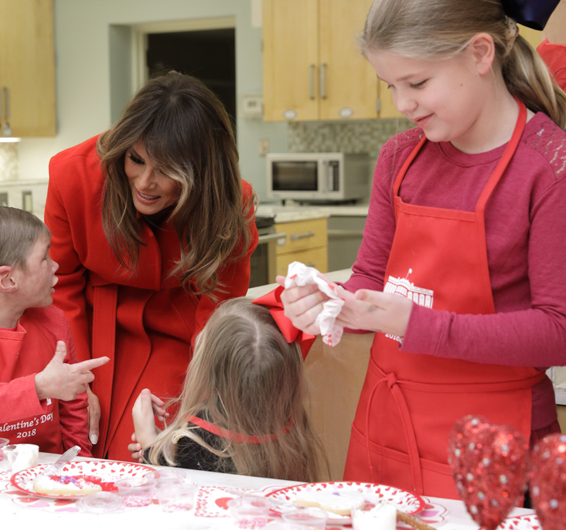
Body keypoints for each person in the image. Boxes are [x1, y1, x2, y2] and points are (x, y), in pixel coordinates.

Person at [280, 0, 566, 499]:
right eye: (390, 86)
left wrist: (416, 325)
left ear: (480, 54)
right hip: (386, 429)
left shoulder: (548, 166)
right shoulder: (400, 157)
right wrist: (329, 303)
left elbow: (558, 330)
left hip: (498, 446)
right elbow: (371, 275)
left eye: (416, 83)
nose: (402, 104)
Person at [45, 72, 259, 460]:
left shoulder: (231, 203)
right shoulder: (71, 175)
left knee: (168, 449)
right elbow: (62, 289)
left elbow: (217, 312)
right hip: (92, 332)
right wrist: (77, 382)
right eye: (136, 160)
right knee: (84, 444)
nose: (144, 182)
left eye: (165, 170)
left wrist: (201, 399)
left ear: (200, 172)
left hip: (184, 334)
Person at [0, 206, 109, 454]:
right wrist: (39, 387)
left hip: (44, 467)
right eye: (44, 258)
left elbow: (73, 405)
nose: (55, 265)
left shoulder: (54, 320)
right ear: (8, 280)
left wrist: (78, 460)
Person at [127, 298, 327, 481]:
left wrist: (150, 445)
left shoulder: (190, 444)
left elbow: (167, 501)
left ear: (207, 367)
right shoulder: (290, 427)